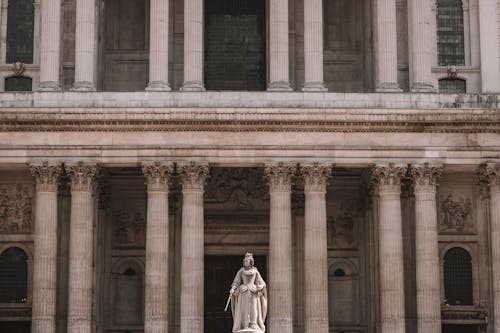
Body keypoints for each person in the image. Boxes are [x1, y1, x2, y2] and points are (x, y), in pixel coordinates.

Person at [229, 253, 267, 332]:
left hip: (253, 292)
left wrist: (259, 287)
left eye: (247, 261)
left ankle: (253, 323)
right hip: (244, 291)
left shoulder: (255, 271)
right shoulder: (241, 271)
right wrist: (233, 288)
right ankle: (244, 324)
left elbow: (262, 283)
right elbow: (236, 281)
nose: (245, 262)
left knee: (253, 308)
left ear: (251, 262)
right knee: (244, 309)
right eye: (244, 261)